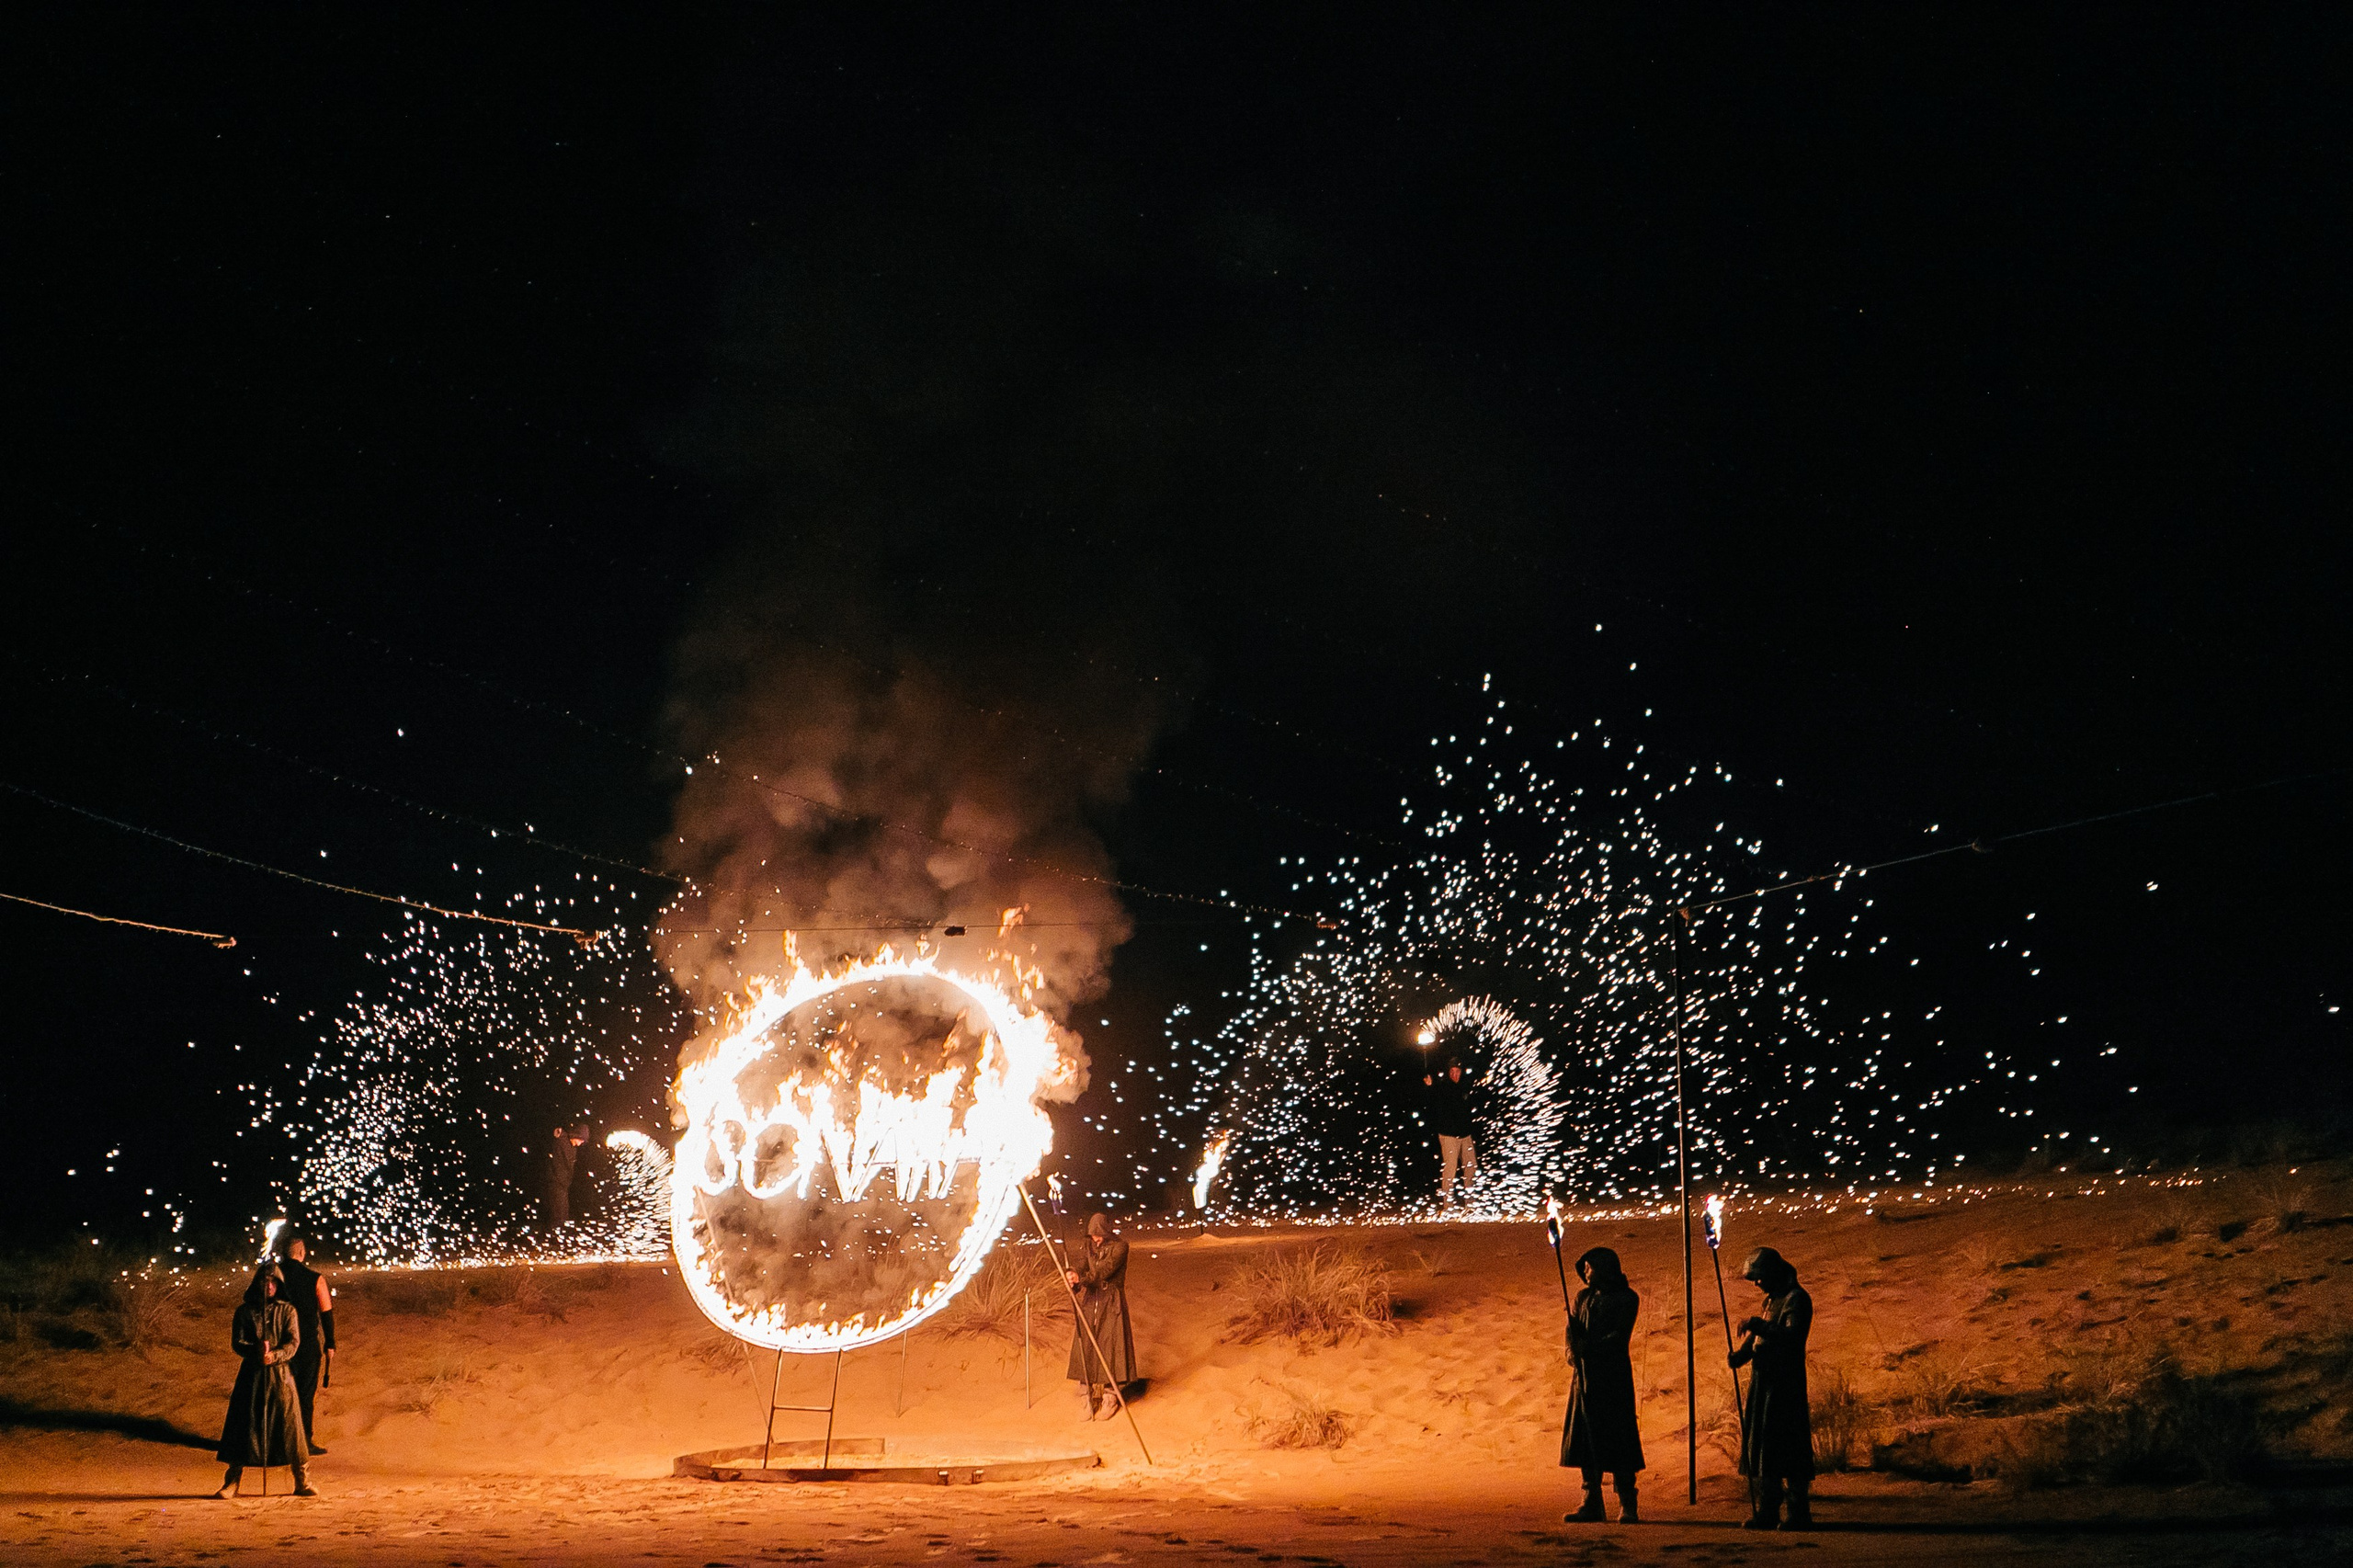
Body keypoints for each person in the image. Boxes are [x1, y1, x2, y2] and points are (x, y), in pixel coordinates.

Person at [1727, 1245, 1813, 1530]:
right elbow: (1757, 1338)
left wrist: (1757, 1326)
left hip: (1785, 1385)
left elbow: (1790, 1336)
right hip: (1763, 1383)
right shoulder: (1770, 1301)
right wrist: (1742, 1354)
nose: (1757, 1283)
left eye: (1759, 1277)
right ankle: (1768, 1509)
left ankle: (1798, 1512)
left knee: (1787, 1446)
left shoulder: (1796, 1299)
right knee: (1765, 1446)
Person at [213, 1263, 314, 1498]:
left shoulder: (288, 1311)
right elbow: (237, 1342)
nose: (268, 1286)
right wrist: (255, 1352)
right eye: (264, 1281)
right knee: (243, 1426)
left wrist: (275, 1356)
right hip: (252, 1376)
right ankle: (232, 1481)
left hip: (280, 1377)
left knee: (290, 1427)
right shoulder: (244, 1312)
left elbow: (293, 1342)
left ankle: (302, 1479)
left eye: (273, 1282)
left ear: (278, 1285)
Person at [1561, 1245, 1644, 1523]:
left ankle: (1627, 1503)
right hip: (1586, 1376)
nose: (1585, 1272)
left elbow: (1619, 1337)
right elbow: (1572, 1333)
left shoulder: (1626, 1298)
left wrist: (1589, 1348)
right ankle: (1591, 1501)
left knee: (1618, 1437)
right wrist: (1574, 1351)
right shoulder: (1582, 1297)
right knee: (1587, 1437)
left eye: (1590, 1267)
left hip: (1613, 1378)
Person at [1063, 1211, 1136, 1421]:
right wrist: (1073, 1273)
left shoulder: (1121, 1247)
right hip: (1091, 1300)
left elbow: (1103, 1270)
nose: (1095, 1238)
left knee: (1111, 1345)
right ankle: (1088, 1397)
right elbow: (1081, 1263)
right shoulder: (1089, 1246)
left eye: (1098, 1234)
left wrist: (1082, 1278)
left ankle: (1109, 1396)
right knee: (1087, 1342)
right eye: (1092, 1234)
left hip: (1111, 1301)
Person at [274, 1232, 336, 1455]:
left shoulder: (273, 1278)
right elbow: (326, 1312)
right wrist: (330, 1343)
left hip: (279, 1344)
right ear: (302, 1253)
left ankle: (278, 1440)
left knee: (280, 1393)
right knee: (305, 1394)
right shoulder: (315, 1278)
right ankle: (304, 1441)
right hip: (307, 1345)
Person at [1422, 1060, 1478, 1203]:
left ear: (1461, 1072)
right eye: (1452, 1072)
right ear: (1448, 1073)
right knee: (1450, 1169)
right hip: (1449, 1135)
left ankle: (1470, 1204)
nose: (1455, 1075)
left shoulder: (1465, 1086)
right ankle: (1448, 1205)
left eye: (1457, 1071)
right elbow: (1431, 1100)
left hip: (1465, 1134)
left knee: (1470, 1167)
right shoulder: (1442, 1087)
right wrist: (1429, 1086)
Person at [543, 1124, 585, 1229]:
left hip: (563, 1183)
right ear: (576, 1135)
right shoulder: (562, 1141)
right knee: (558, 1212)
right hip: (556, 1181)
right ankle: (554, 1235)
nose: (580, 1144)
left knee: (563, 1211)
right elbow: (557, 1162)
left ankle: (559, 1234)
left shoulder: (572, 1147)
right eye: (580, 1140)